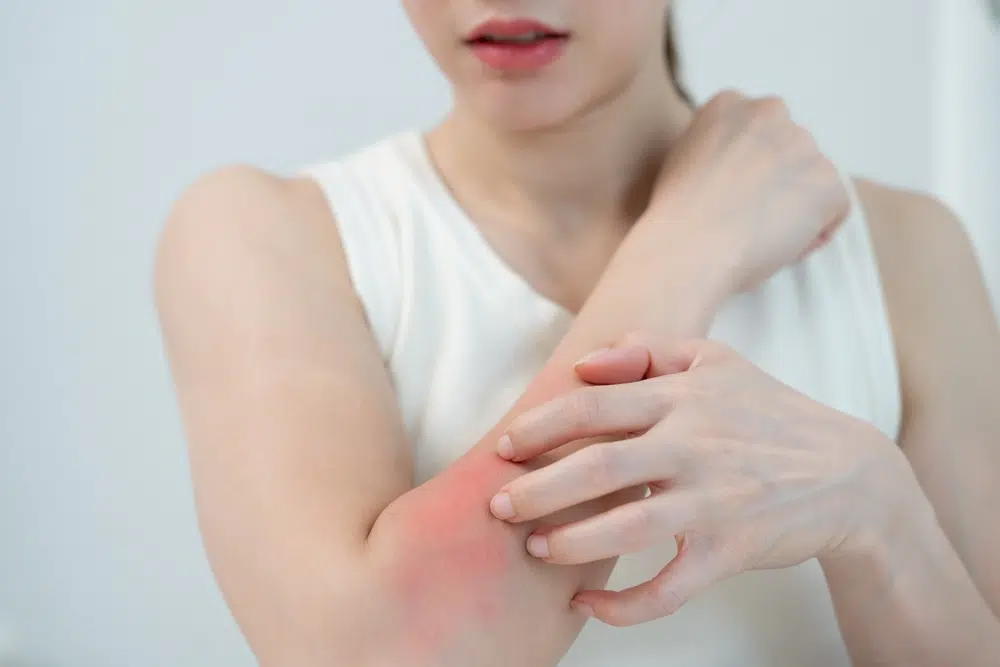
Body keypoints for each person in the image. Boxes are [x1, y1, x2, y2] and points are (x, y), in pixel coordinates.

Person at [153, 2, 1000, 666]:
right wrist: (691, 241)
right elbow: (374, 657)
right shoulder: (270, 237)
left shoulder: (908, 251)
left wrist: (880, 514)